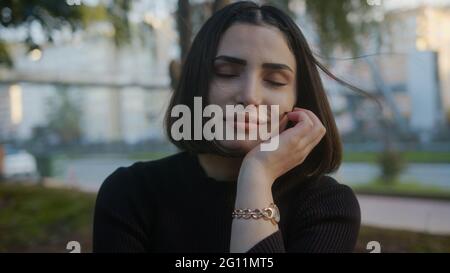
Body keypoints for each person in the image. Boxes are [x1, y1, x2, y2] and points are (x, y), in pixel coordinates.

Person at [93, 1, 361, 253]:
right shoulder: (130, 193)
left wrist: (257, 175)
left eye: (275, 80)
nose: (249, 95)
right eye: (227, 73)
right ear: (197, 84)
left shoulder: (327, 206)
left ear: (298, 102)